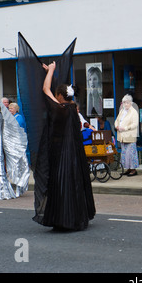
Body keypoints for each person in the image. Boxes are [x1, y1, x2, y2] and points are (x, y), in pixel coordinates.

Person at [33, 61, 95, 231]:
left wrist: (51, 70)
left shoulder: (61, 109)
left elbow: (45, 90)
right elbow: (56, 91)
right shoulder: (74, 109)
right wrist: (50, 73)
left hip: (61, 154)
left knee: (61, 185)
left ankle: (63, 219)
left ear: (60, 96)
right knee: (74, 185)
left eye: (57, 94)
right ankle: (75, 217)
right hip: (75, 154)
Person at [115, 94, 139, 176]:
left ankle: (133, 170)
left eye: (127, 102)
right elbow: (117, 120)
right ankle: (128, 169)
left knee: (131, 153)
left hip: (130, 136)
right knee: (124, 154)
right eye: (124, 102)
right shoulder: (122, 111)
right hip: (122, 136)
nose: (125, 104)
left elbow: (135, 124)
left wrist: (125, 128)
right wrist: (116, 126)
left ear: (131, 103)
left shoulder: (134, 112)